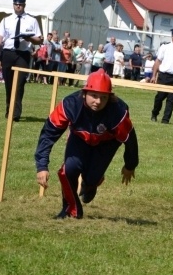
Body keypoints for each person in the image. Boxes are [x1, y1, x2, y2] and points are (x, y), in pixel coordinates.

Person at [34, 69, 139, 219]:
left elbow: (130, 141)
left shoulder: (118, 112)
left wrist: (130, 165)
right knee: (68, 170)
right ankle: (71, 210)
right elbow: (48, 134)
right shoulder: (69, 105)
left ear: (110, 97)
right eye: (94, 96)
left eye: (103, 97)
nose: (98, 101)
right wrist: (42, 166)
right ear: (84, 93)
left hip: (107, 143)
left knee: (91, 178)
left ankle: (92, 182)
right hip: (80, 138)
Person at [0, 0, 43, 121]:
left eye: (20, 4)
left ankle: (16, 114)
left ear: (24, 5)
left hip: (22, 54)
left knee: (19, 84)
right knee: (8, 83)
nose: (18, 6)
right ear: (13, 5)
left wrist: (28, 37)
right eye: (16, 4)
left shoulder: (32, 20)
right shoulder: (6, 20)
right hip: (8, 53)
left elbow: (39, 39)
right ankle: (9, 109)